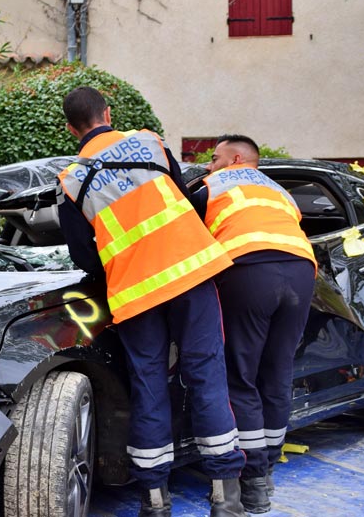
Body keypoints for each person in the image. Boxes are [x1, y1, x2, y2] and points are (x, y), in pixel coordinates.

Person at [56, 87, 247, 517]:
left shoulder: (71, 181)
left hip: (135, 292)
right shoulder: (149, 142)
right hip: (190, 272)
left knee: (148, 386)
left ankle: (155, 501)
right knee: (207, 375)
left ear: (71, 129)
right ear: (108, 113)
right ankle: (226, 498)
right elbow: (183, 200)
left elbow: (83, 256)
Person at [191, 135, 317, 514]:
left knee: (241, 376)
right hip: (300, 271)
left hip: (249, 270)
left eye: (215, 158)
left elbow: (185, 235)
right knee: (277, 372)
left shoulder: (213, 185)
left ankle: (253, 480)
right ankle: (267, 473)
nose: (209, 165)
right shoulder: (280, 191)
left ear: (236, 158)